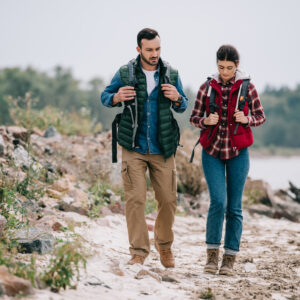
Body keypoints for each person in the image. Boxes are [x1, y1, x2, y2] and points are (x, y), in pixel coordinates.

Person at [101, 28, 188, 267]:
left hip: (163, 146)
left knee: (169, 200)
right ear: (139, 49)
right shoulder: (126, 72)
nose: (154, 54)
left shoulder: (171, 72)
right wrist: (116, 96)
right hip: (133, 146)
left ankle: (165, 247)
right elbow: (105, 96)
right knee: (135, 200)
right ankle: (138, 252)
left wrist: (177, 98)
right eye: (149, 49)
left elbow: (183, 105)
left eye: (158, 49)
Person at [190, 45, 266, 275]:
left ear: (237, 65)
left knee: (234, 208)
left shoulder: (248, 87)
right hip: (211, 151)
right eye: (221, 67)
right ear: (217, 65)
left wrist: (247, 118)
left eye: (229, 68)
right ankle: (212, 258)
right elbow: (194, 117)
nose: (224, 72)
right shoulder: (206, 87)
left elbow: (261, 116)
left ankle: (229, 260)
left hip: (238, 153)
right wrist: (206, 121)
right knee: (218, 203)